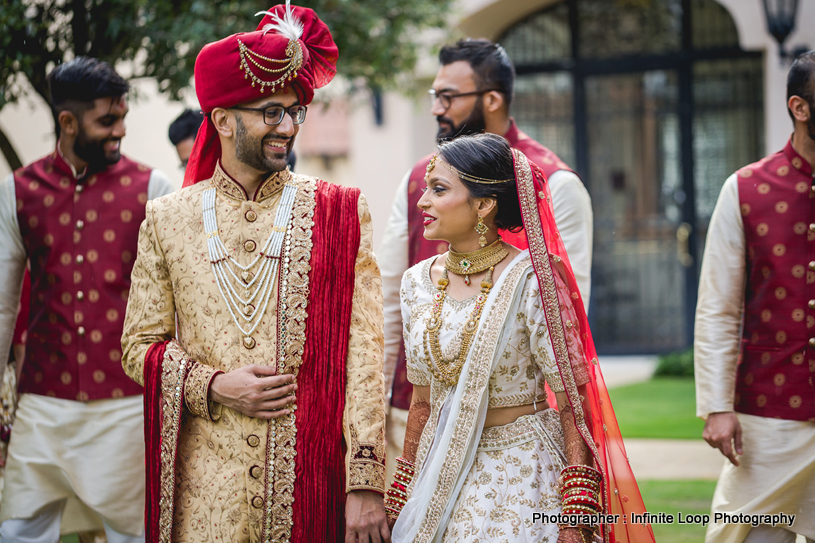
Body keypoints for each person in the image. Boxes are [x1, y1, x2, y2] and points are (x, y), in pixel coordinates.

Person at [121, 4, 389, 542]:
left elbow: (364, 350)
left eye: (294, 111)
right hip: (204, 494)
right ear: (222, 119)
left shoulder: (337, 211)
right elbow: (138, 345)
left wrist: (364, 480)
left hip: (309, 480)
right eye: (270, 111)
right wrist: (216, 386)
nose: (287, 126)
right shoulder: (168, 219)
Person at [382, 133, 651, 543]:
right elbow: (422, 403)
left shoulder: (533, 280)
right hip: (439, 472)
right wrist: (400, 499)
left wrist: (574, 518)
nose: (423, 202)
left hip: (520, 470)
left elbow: (572, 402)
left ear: (484, 205)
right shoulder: (416, 283)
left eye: (438, 190)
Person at [379, 38, 593, 475]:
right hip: (418, 406)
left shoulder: (553, 183)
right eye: (434, 95)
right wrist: (376, 404)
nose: (437, 108)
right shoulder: (417, 178)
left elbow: (567, 316)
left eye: (448, 96)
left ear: (491, 99)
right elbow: (386, 299)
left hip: (515, 430)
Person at [0, 57, 174, 542]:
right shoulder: (17, 192)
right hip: (42, 402)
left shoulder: (154, 190)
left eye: (122, 118)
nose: (119, 131)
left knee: (134, 535)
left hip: (126, 404)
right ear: (68, 122)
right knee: (15, 531)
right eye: (106, 121)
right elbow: (2, 305)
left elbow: (178, 304)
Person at [694, 51, 815, 543]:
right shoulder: (745, 188)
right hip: (770, 408)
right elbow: (718, 307)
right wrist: (717, 406)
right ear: (800, 107)